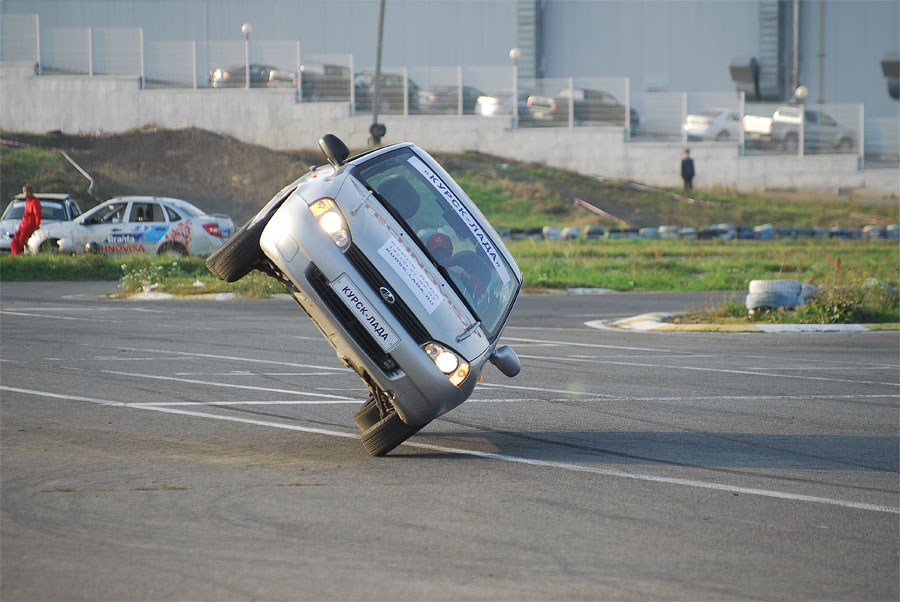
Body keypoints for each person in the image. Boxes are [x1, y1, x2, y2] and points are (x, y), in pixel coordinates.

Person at [10, 185, 41, 255]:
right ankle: (15, 256)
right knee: (14, 241)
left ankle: (19, 255)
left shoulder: (35, 201)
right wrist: (20, 226)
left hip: (29, 225)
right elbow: (25, 216)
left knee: (21, 241)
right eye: (25, 192)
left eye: (28, 192)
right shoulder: (27, 201)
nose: (26, 194)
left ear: (31, 192)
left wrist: (37, 225)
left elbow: (38, 215)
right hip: (23, 225)